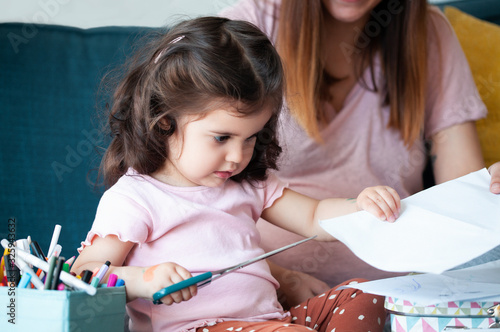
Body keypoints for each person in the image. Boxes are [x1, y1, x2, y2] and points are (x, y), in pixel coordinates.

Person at [71, 16, 402, 332]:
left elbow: (315, 216)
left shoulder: (247, 184)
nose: (237, 156)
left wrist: (361, 205)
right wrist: (143, 280)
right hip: (193, 327)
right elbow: (83, 274)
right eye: (222, 138)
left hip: (273, 322)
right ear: (165, 122)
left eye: (251, 137)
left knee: (366, 292)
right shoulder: (135, 198)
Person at [220, 0, 500, 306]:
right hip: (264, 295)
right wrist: (284, 279)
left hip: (403, 294)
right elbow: (192, 199)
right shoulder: (245, 29)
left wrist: (486, 193)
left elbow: (460, 196)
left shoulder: (428, 33)